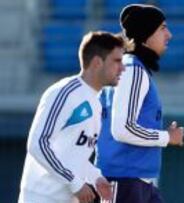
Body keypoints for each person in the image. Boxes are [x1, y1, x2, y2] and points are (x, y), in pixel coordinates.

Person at [18, 31, 127, 203]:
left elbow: (73, 155)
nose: (123, 67)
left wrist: (95, 177)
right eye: (117, 61)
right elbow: (38, 143)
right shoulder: (65, 92)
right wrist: (75, 183)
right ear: (98, 62)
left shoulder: (95, 104)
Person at [96, 4, 184, 203]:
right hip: (123, 181)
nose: (169, 34)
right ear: (146, 34)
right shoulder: (133, 70)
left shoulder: (131, 68)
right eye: (162, 28)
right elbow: (121, 129)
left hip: (137, 182)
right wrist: (167, 137)